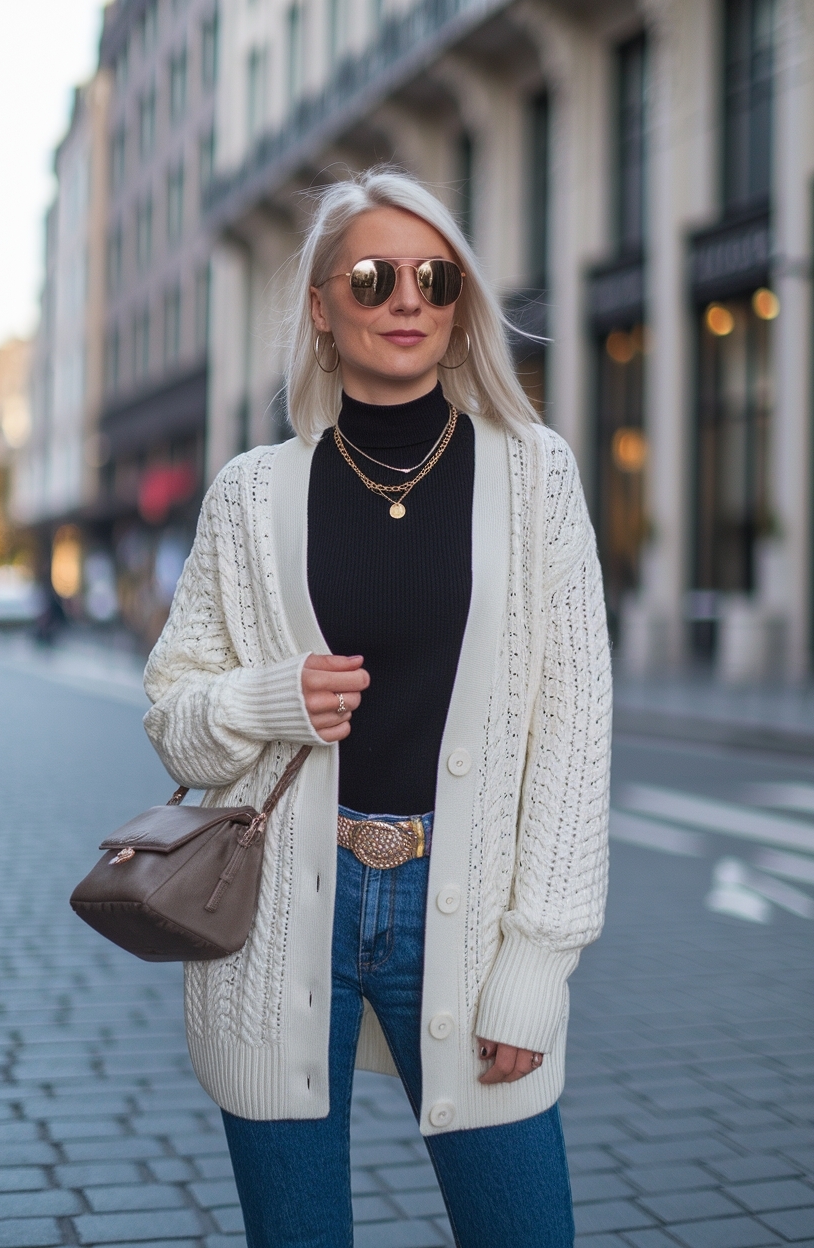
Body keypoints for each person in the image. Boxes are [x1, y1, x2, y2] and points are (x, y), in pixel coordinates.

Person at [142, 168, 611, 1247]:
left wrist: (536, 965)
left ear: (458, 308)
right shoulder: (252, 494)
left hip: (471, 909)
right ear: (320, 306)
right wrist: (270, 698)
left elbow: (573, 736)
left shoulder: (536, 476)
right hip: (270, 922)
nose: (406, 299)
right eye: (371, 276)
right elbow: (171, 711)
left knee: (523, 1227)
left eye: (434, 278)